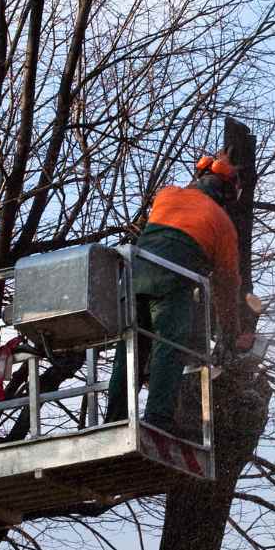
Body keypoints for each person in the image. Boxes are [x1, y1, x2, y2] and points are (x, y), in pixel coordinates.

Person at [105, 151, 254, 439]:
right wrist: (230, 332)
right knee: (169, 347)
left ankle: (114, 419)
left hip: (132, 280)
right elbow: (226, 287)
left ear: (200, 177)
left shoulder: (167, 195)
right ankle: (159, 419)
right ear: (227, 194)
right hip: (171, 284)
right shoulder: (223, 224)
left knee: (131, 351)